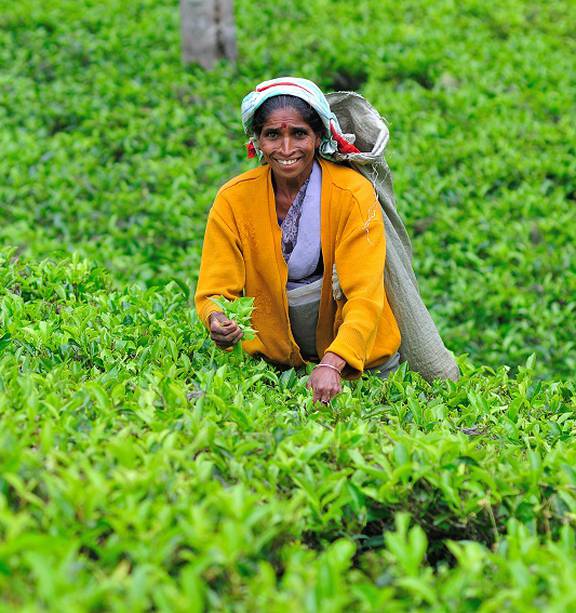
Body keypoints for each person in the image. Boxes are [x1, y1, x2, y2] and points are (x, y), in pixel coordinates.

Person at [195, 77, 401, 403]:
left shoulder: (352, 194)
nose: (287, 149)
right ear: (257, 142)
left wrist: (333, 363)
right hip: (278, 365)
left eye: (299, 134)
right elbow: (215, 290)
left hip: (361, 365)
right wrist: (218, 319)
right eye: (273, 135)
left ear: (319, 137)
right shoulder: (234, 199)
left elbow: (365, 294)